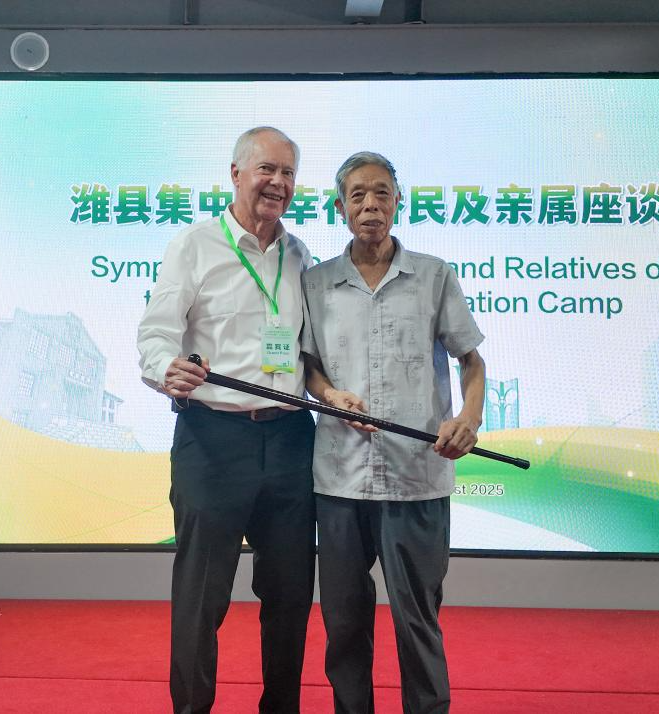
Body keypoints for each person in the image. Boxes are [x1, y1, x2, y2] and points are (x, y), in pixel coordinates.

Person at [137, 127, 316, 714]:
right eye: (267, 169)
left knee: (290, 594)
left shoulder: (300, 256)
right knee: (202, 594)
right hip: (213, 438)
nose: (278, 183)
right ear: (236, 174)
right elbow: (156, 333)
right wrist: (167, 369)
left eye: (288, 173)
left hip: (290, 440)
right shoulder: (194, 245)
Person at [302, 151, 486, 714]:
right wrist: (330, 394)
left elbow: (471, 361)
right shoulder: (316, 283)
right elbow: (308, 369)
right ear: (339, 207)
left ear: (399, 202)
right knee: (344, 622)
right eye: (357, 195)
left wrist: (468, 419)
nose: (370, 205)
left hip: (417, 478)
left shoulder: (433, 276)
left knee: (417, 620)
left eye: (381, 193)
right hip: (340, 480)